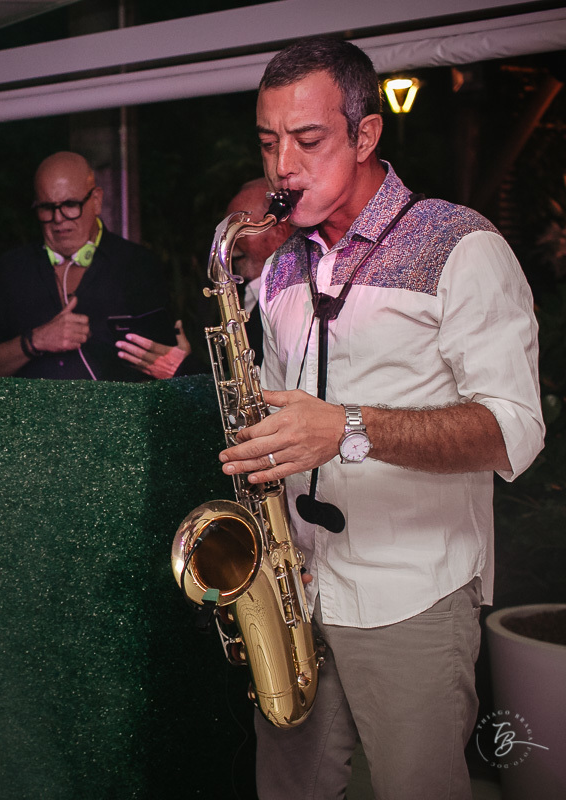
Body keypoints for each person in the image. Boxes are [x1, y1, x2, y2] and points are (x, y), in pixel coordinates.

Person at [219, 37, 544, 799]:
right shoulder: (281, 271)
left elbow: (514, 430)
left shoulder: (459, 246)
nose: (281, 168)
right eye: (269, 142)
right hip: (297, 590)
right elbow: (278, 417)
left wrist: (349, 428)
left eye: (307, 140)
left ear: (367, 134)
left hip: (413, 595)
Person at [0, 151, 195, 381]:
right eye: (47, 207)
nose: (58, 218)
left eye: (70, 204)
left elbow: (169, 367)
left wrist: (180, 366)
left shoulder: (138, 265)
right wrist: (35, 341)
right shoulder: (11, 270)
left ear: (96, 201)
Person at [224, 176, 293, 360]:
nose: (230, 244)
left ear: (279, 231)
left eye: (239, 231)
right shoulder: (237, 293)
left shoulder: (295, 295)